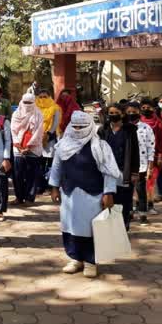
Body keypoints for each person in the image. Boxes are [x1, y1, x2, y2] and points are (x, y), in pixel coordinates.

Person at [49, 111, 122, 278]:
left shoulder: (100, 146)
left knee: (90, 229)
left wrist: (109, 192)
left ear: (90, 126)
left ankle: (91, 261)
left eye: (82, 127)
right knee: (70, 227)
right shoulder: (63, 144)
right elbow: (57, 167)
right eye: (75, 126)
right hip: (69, 195)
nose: (78, 129)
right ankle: (75, 259)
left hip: (92, 195)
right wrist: (54, 187)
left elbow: (109, 172)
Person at [98, 104, 140, 231]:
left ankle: (123, 226)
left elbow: (135, 152)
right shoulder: (103, 130)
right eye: (110, 113)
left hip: (123, 171)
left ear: (122, 114)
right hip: (106, 172)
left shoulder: (130, 130)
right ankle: (109, 228)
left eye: (116, 112)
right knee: (108, 199)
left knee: (124, 200)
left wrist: (134, 172)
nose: (112, 115)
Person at [10, 93, 45, 205]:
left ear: (34, 102)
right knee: (18, 175)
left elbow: (38, 132)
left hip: (33, 148)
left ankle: (30, 198)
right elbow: (13, 130)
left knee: (32, 175)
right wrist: (18, 145)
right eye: (25, 102)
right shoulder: (16, 114)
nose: (27, 105)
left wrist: (29, 146)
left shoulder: (38, 114)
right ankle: (19, 197)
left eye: (30, 103)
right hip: (18, 148)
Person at [125, 102, 156, 226]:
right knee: (127, 190)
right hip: (126, 164)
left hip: (141, 165)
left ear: (139, 112)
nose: (132, 114)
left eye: (134, 111)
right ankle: (129, 212)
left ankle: (143, 214)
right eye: (129, 112)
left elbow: (151, 147)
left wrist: (150, 166)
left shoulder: (145, 128)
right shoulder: (124, 127)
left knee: (141, 189)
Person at [141, 98, 162, 216]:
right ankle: (139, 204)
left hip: (154, 157)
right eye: (144, 107)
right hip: (139, 157)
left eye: (148, 107)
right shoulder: (138, 121)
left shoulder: (158, 122)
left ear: (153, 108)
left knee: (150, 181)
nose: (146, 110)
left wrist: (161, 156)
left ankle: (150, 204)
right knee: (140, 182)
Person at [35, 89, 62, 195]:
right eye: (40, 97)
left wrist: (47, 135)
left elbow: (55, 123)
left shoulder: (55, 108)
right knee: (40, 164)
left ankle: (49, 187)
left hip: (49, 139)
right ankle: (40, 186)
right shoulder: (35, 107)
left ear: (49, 97)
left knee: (50, 164)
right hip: (37, 138)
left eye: (45, 96)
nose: (42, 99)